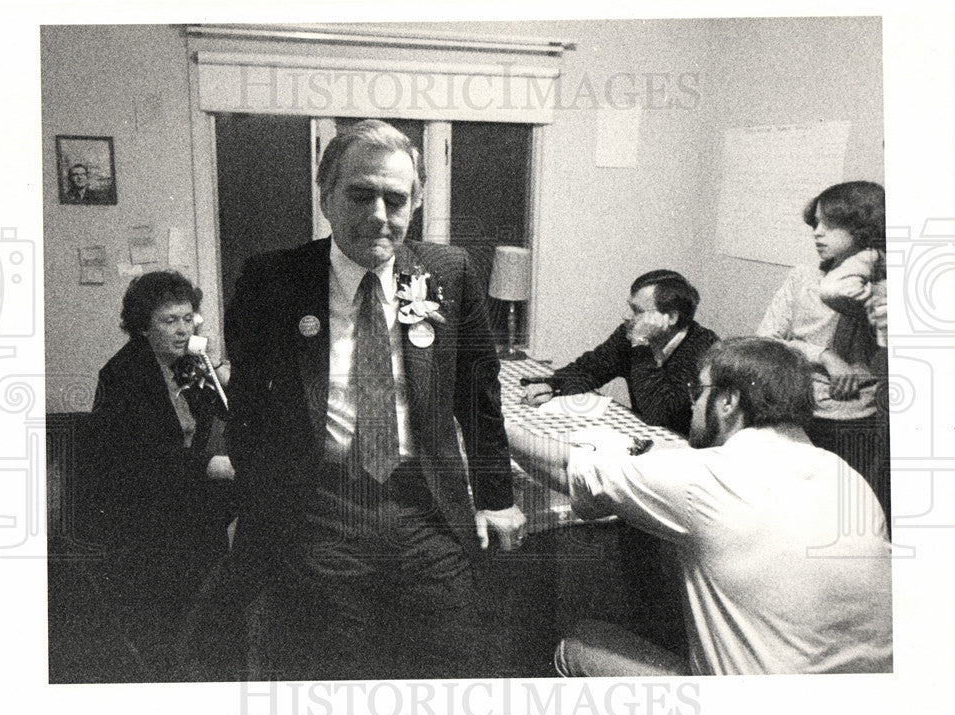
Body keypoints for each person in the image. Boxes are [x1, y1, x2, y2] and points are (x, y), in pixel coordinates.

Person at [224, 119, 526, 680]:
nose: (380, 216)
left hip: (425, 507)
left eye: (396, 198)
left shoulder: (448, 273)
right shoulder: (272, 280)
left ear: (415, 202)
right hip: (321, 511)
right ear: (326, 194)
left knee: (451, 666)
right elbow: (248, 414)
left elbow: (478, 399)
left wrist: (496, 496)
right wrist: (257, 505)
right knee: (333, 671)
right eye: (361, 195)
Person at [511, 337, 893, 675]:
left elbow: (569, 468)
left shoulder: (704, 478)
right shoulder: (848, 477)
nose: (693, 405)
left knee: (577, 641)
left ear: (727, 402)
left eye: (698, 391)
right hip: (861, 710)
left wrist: (494, 424)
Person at [79, 270, 234, 681]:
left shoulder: (188, 365)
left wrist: (218, 374)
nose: (183, 330)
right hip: (148, 516)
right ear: (143, 326)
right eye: (170, 321)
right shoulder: (123, 374)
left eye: (188, 318)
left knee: (208, 603)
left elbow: (217, 418)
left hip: (194, 506)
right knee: (169, 622)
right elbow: (136, 458)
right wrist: (210, 465)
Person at [757, 180, 888, 517]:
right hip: (799, 410)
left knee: (844, 513)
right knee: (789, 509)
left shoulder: (881, 290)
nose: (817, 233)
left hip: (857, 420)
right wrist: (825, 356)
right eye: (815, 223)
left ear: (862, 229)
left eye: (830, 225)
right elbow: (767, 341)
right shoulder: (801, 278)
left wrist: (872, 262)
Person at [522, 270, 719, 436]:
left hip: (687, 451)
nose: (626, 316)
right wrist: (553, 385)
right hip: (645, 438)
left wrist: (641, 344)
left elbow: (659, 414)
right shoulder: (629, 334)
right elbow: (591, 369)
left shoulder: (705, 350)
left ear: (671, 317)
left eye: (636, 310)